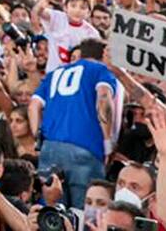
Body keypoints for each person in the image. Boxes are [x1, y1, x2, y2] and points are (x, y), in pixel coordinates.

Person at [29, 37, 117, 208]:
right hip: (86, 148)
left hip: (50, 147)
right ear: (103, 54)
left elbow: (34, 105)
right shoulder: (101, 70)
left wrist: (38, 137)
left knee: (52, 212)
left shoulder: (54, 73)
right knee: (82, 213)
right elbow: (104, 97)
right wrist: (107, 141)